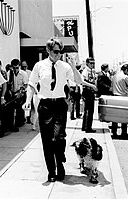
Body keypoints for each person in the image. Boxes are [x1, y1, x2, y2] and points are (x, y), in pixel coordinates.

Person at [23, 37, 95, 182]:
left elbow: (78, 81)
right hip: (45, 106)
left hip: (59, 105)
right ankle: (52, 171)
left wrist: (73, 66)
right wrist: (27, 101)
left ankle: (60, 161)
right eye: (55, 51)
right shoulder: (39, 65)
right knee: (47, 141)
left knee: (58, 137)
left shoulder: (65, 66)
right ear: (48, 50)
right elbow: (31, 84)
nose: (58, 54)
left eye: (60, 52)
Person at [6, 59, 28, 132]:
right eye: (14, 68)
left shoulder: (23, 74)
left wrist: (20, 92)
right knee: (11, 110)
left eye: (17, 68)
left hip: (20, 93)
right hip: (12, 93)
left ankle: (20, 122)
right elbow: (7, 84)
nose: (16, 70)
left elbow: (25, 85)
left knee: (19, 110)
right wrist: (9, 91)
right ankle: (12, 125)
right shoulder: (9, 73)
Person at [111, 64, 128, 138]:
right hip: (123, 97)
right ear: (126, 70)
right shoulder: (125, 77)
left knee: (115, 116)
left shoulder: (115, 76)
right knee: (124, 117)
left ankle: (114, 132)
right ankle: (124, 133)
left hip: (115, 97)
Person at [81, 57, 97, 133]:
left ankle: (85, 126)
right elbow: (83, 81)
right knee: (89, 110)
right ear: (87, 63)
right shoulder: (85, 71)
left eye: (93, 63)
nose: (92, 65)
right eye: (91, 63)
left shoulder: (91, 71)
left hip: (90, 92)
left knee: (89, 110)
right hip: (87, 91)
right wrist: (92, 86)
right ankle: (88, 127)